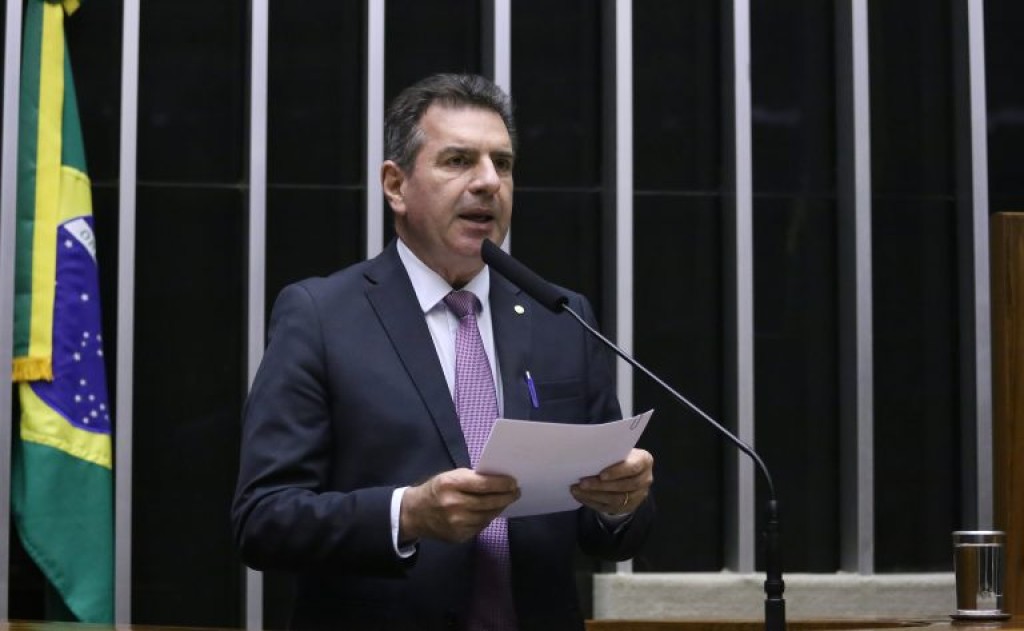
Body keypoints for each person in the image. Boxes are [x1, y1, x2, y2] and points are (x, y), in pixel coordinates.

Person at [231, 73, 655, 631]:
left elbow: (612, 535)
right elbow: (263, 520)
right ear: (396, 185)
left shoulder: (560, 315)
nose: (488, 182)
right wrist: (406, 515)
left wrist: (621, 502)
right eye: (458, 161)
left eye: (502, 164)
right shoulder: (320, 315)